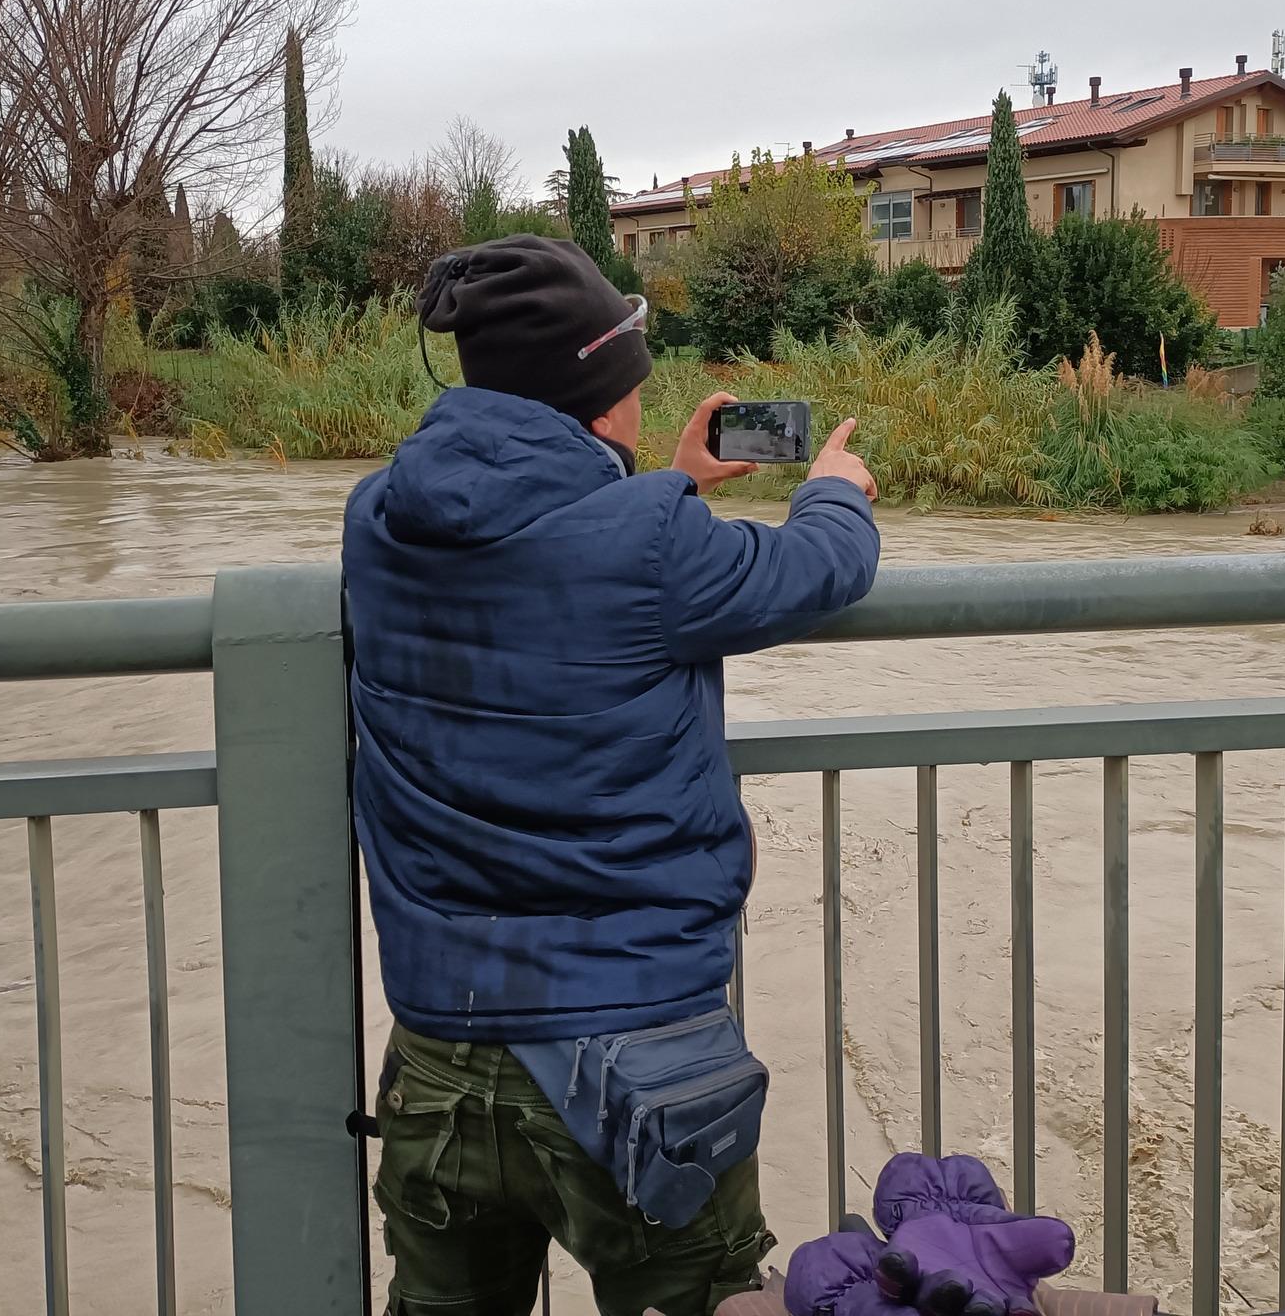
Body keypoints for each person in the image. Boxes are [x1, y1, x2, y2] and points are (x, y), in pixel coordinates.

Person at [342, 235, 882, 1316]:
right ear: (598, 389)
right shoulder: (650, 544)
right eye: (632, 374)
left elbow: (544, 567)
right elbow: (817, 571)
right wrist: (833, 490)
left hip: (440, 1055)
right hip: (636, 1066)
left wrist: (665, 485)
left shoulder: (378, 518)